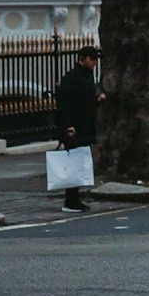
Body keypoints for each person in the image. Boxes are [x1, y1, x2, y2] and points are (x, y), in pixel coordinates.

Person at [54, 46, 100, 213]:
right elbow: (64, 104)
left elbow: (85, 101)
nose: (94, 62)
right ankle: (70, 200)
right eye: (92, 59)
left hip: (85, 126)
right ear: (82, 59)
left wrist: (97, 100)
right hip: (73, 128)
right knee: (73, 164)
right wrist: (68, 126)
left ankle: (75, 198)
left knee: (79, 164)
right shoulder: (71, 77)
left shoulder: (87, 77)